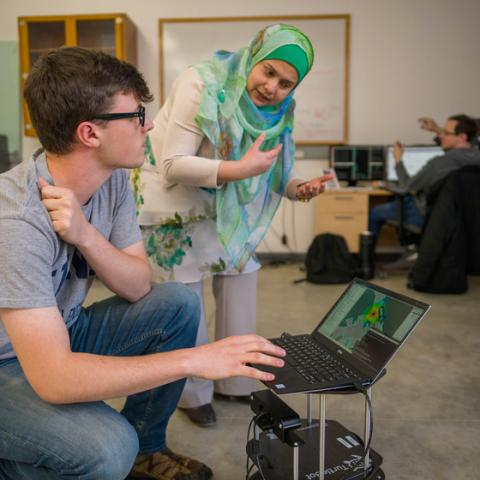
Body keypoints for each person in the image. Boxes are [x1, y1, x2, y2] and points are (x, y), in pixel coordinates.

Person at [0, 46, 287, 480]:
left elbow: (137, 285)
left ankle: (146, 452)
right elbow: (54, 378)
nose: (149, 125)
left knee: (176, 302)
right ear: (90, 134)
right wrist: (193, 360)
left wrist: (85, 234)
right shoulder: (16, 220)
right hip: (9, 362)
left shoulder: (112, 178)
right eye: (136, 115)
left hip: (61, 331)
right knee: (106, 447)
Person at [130, 24, 333, 428]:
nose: (273, 87)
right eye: (268, 72)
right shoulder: (200, 82)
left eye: (286, 83)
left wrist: (298, 188)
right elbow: (173, 163)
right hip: (172, 205)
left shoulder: (279, 110)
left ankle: (237, 383)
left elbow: (274, 173)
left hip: (228, 209)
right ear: (254, 58)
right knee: (185, 309)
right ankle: (192, 395)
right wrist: (240, 169)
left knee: (241, 290)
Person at [369, 114, 480, 240]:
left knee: (374, 212)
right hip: (465, 217)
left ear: (462, 137)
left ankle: (366, 259)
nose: (441, 135)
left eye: (446, 133)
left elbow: (408, 185)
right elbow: (464, 149)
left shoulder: (439, 164)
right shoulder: (475, 158)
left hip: (430, 214)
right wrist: (437, 130)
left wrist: (398, 160)